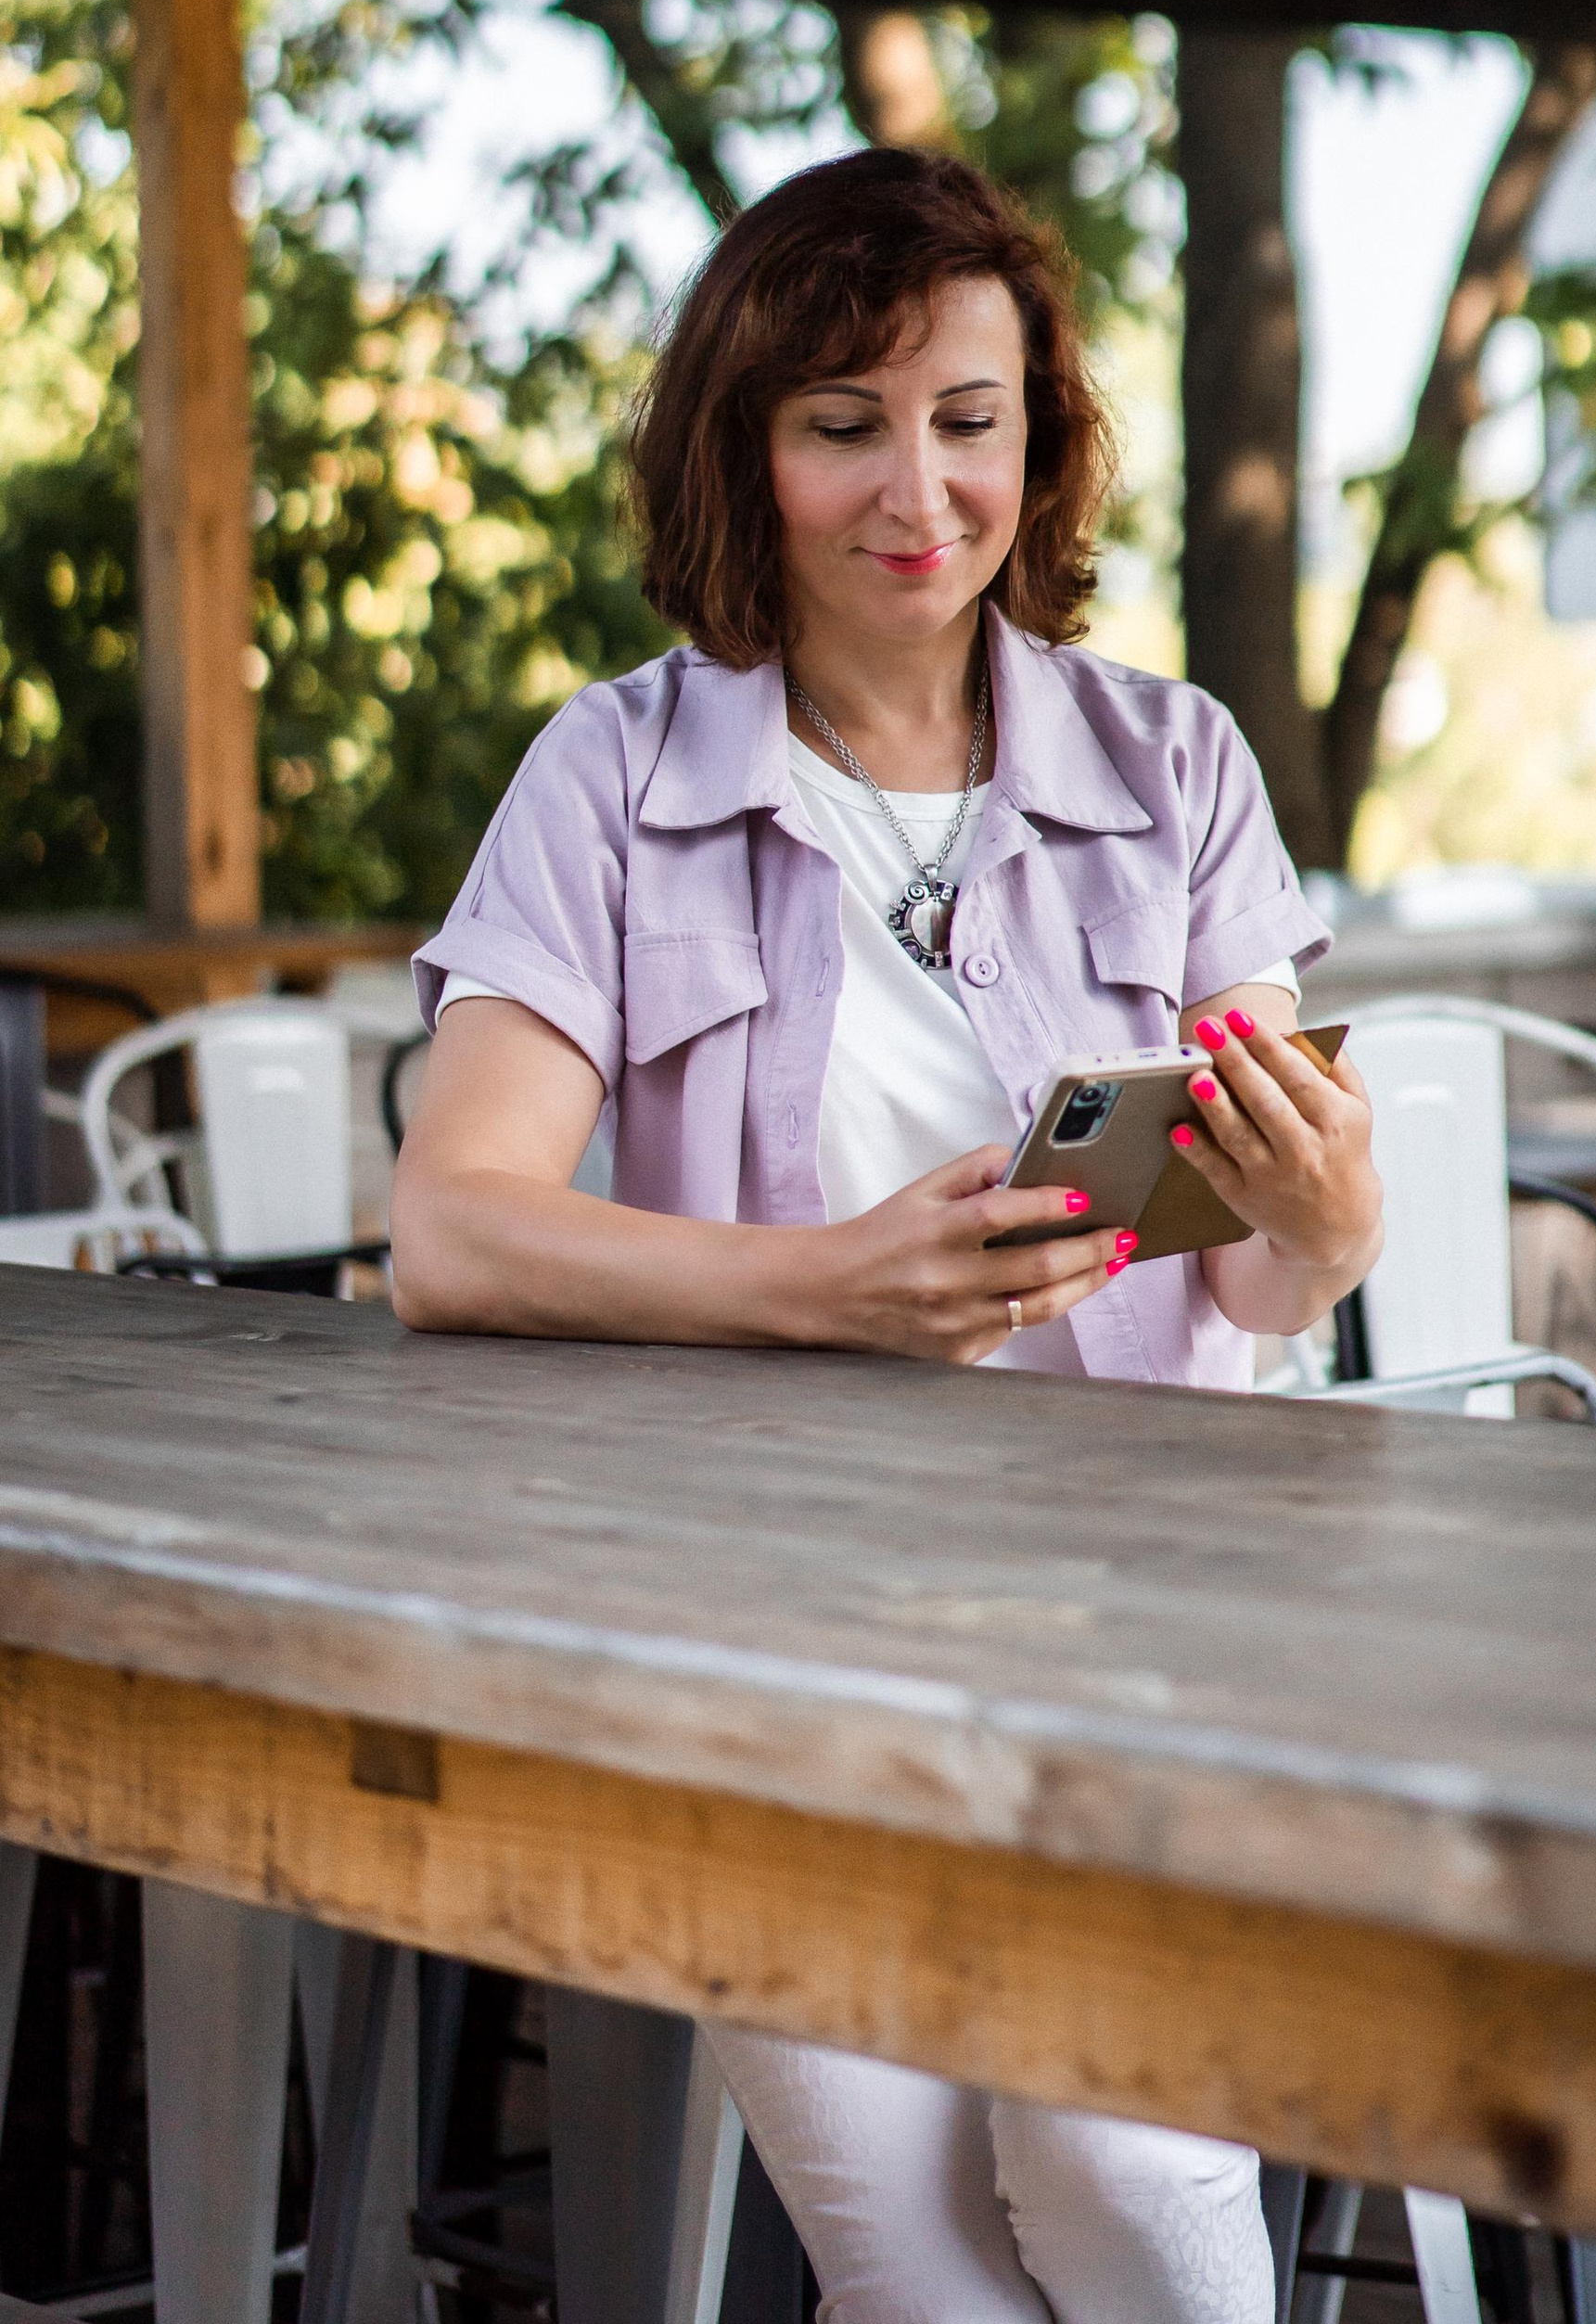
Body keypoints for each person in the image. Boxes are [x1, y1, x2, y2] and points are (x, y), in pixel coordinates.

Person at [392, 145, 1382, 2324]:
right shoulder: (612, 775)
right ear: (742, 452)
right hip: (764, 1626)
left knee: (1125, 2176)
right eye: (843, 423)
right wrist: (822, 1289)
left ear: (1039, 440)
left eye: (970, 419)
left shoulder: (1176, 761)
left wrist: (1318, 1227)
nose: (916, 490)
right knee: (913, 2270)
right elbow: (449, 1235)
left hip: (1143, 1627)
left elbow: (1255, 1267)